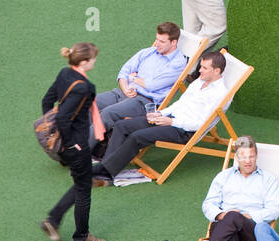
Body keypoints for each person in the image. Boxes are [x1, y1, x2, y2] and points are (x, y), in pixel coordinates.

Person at [91, 51, 228, 183]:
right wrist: (161, 113)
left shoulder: (220, 94)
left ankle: (108, 171)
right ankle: (105, 166)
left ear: (216, 71)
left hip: (183, 130)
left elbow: (201, 124)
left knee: (137, 136)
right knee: (122, 126)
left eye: (204, 68)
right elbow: (180, 103)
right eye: (201, 66)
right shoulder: (199, 81)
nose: (199, 71)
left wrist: (171, 121)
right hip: (169, 117)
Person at [40, 43, 106, 241]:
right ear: (84, 62)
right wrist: (72, 145)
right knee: (84, 190)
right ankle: (82, 238)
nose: (95, 61)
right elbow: (63, 118)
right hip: (76, 146)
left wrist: (57, 138)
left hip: (65, 146)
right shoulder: (84, 87)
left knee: (81, 182)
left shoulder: (64, 73)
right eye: (93, 58)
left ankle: (54, 219)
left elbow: (47, 102)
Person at [94, 21, 186, 131]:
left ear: (173, 42)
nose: (157, 44)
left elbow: (152, 85)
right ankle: (78, 141)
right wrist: (125, 88)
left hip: (143, 101)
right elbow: (124, 71)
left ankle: (85, 146)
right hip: (124, 92)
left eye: (162, 41)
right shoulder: (148, 52)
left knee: (108, 113)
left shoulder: (178, 63)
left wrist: (133, 78)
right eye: (156, 39)